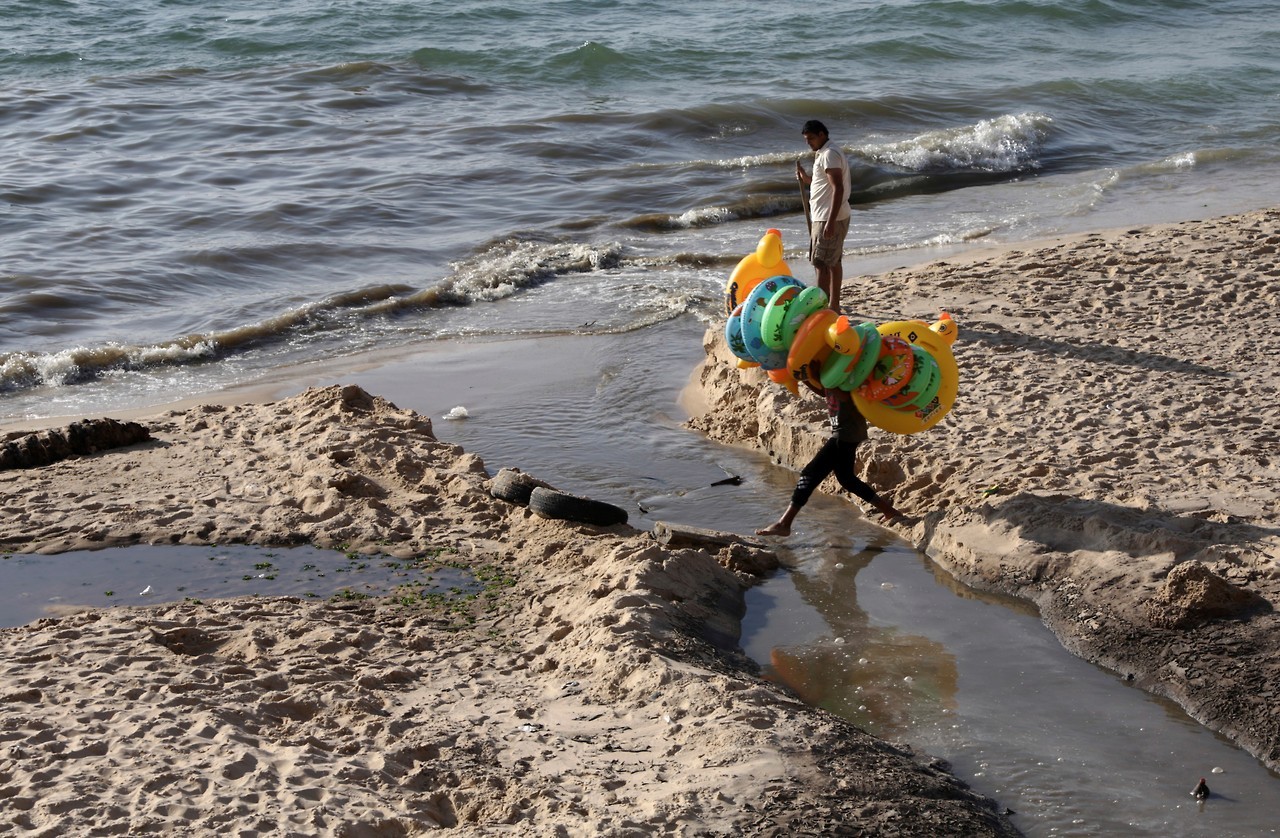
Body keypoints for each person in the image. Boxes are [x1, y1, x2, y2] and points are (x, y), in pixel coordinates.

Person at [756, 377, 901, 536]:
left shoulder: (845, 374)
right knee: (846, 479)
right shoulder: (830, 376)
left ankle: (784, 523)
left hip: (845, 433)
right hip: (848, 432)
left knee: (809, 474)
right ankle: (889, 511)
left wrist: (826, 380)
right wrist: (805, 378)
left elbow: (845, 395)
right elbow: (824, 392)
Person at [795, 119, 852, 313]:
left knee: (821, 263)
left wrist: (829, 222)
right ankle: (833, 306)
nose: (808, 142)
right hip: (828, 216)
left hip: (829, 217)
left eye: (811, 138)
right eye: (806, 139)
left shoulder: (829, 154)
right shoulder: (825, 153)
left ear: (822, 134)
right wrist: (806, 179)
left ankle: (823, 309)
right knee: (833, 261)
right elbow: (823, 185)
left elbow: (838, 188)